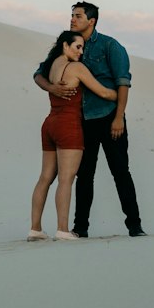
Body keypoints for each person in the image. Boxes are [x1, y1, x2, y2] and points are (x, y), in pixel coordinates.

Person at [33, 1, 146, 237]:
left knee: (120, 172)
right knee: (84, 175)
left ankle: (135, 226)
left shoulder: (110, 46)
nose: (72, 19)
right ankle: (80, 228)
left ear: (91, 21)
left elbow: (123, 82)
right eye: (72, 15)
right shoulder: (68, 46)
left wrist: (118, 117)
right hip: (82, 121)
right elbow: (39, 74)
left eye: (78, 16)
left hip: (109, 118)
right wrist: (52, 88)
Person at [28, 30, 118, 241]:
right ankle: (62, 229)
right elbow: (103, 92)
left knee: (45, 178)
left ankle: (35, 229)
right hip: (68, 126)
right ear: (65, 46)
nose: (81, 51)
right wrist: (119, 93)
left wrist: (50, 87)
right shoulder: (76, 67)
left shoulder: (50, 66)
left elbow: (37, 78)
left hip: (50, 123)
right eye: (77, 47)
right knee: (66, 179)